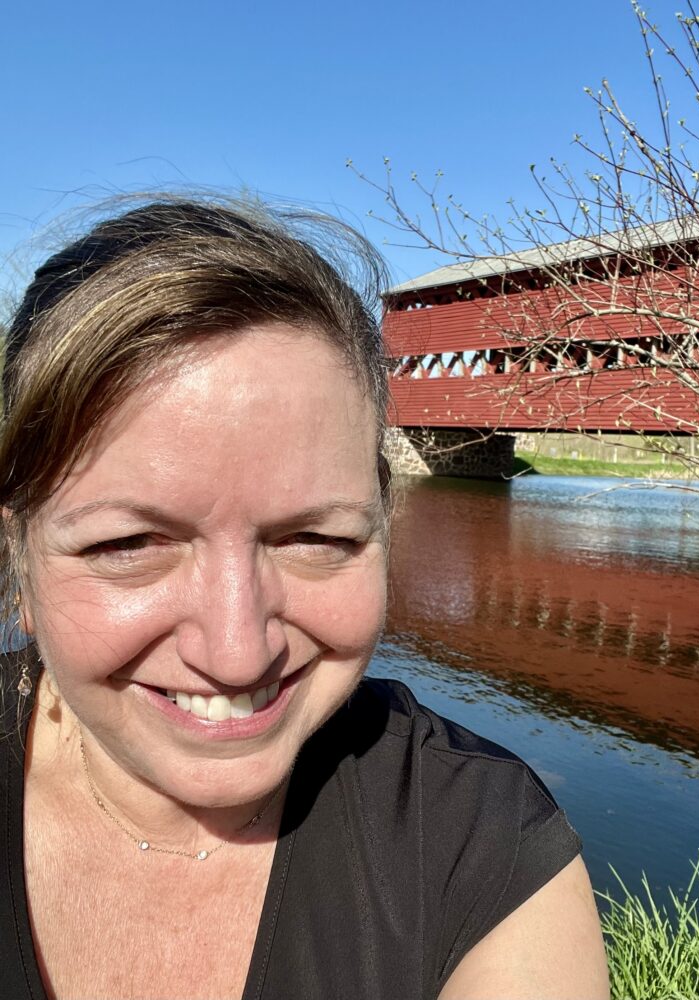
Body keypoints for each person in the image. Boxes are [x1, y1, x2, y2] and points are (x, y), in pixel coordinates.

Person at [0, 197, 609, 1000]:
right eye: (127, 545)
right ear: (19, 558)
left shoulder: (479, 840)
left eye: (314, 539)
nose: (236, 654)